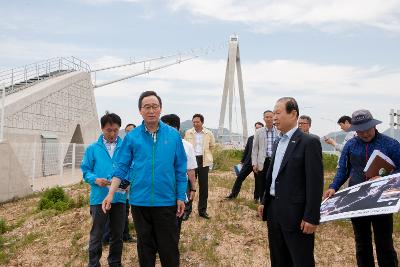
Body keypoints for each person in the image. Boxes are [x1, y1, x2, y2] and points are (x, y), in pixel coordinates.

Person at [102, 91, 188, 267]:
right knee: (145, 248)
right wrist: (110, 194)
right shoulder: (132, 137)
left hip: (166, 201)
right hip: (140, 202)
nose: (151, 111)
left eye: (154, 107)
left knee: (169, 248)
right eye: (146, 107)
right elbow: (122, 167)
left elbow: (180, 168)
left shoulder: (173, 136)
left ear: (160, 109)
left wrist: (181, 196)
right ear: (140, 110)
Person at [323, 109, 400, 267]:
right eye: (360, 131)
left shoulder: (390, 144)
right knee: (362, 242)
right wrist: (333, 187)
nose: (364, 134)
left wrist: (385, 178)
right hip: (356, 199)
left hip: (381, 198)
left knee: (384, 242)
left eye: (367, 130)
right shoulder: (350, 145)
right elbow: (343, 170)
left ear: (373, 126)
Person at [258, 97, 323, 267]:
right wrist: (265, 201)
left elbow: (315, 183)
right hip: (274, 210)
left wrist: (311, 217)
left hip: (297, 215)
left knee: (300, 259)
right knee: (278, 258)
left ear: (293, 114)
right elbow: (273, 176)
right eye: (273, 114)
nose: (274, 117)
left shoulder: (309, 142)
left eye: (278, 113)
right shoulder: (280, 141)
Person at [81, 112, 127, 267]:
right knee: (97, 234)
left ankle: (115, 263)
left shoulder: (125, 148)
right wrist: (95, 179)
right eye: (109, 130)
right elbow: (86, 171)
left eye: (115, 130)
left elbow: (131, 168)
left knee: (117, 234)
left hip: (119, 198)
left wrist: (128, 182)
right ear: (102, 129)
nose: (112, 133)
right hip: (99, 197)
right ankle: (93, 264)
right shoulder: (93, 149)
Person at [160, 114, 197, 232]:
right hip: (161, 184)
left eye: (169, 127)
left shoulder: (187, 146)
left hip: (180, 183)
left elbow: (190, 169)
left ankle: (173, 243)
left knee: (177, 214)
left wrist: (193, 188)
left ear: (177, 128)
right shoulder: (156, 144)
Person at [103, 123, 137, 245]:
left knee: (125, 212)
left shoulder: (136, 146)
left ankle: (125, 235)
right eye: (127, 131)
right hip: (116, 185)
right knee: (114, 212)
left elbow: (134, 167)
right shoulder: (123, 146)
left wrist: (129, 182)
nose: (129, 133)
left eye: (131, 131)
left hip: (129, 185)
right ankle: (108, 237)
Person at [184, 114, 216, 219]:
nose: (195, 123)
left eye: (197, 122)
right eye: (194, 122)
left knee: (203, 186)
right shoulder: (188, 132)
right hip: (191, 160)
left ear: (202, 122)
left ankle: (202, 211)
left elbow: (212, 146)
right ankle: (187, 210)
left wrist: (208, 156)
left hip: (203, 160)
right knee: (189, 185)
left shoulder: (208, 133)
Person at [226, 122, 264, 199]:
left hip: (258, 163)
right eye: (256, 128)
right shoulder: (250, 138)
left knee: (258, 182)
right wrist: (242, 161)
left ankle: (256, 198)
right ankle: (233, 195)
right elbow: (246, 151)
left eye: (259, 128)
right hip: (248, 162)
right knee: (239, 178)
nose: (258, 129)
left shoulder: (264, 139)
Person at [252, 110, 278, 202]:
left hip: (276, 160)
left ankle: (272, 203)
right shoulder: (259, 131)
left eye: (270, 117)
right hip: (263, 161)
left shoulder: (279, 130)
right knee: (262, 183)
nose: (269, 119)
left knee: (274, 181)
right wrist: (254, 163)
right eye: (266, 117)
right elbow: (255, 149)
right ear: (264, 119)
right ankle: (262, 204)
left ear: (274, 117)